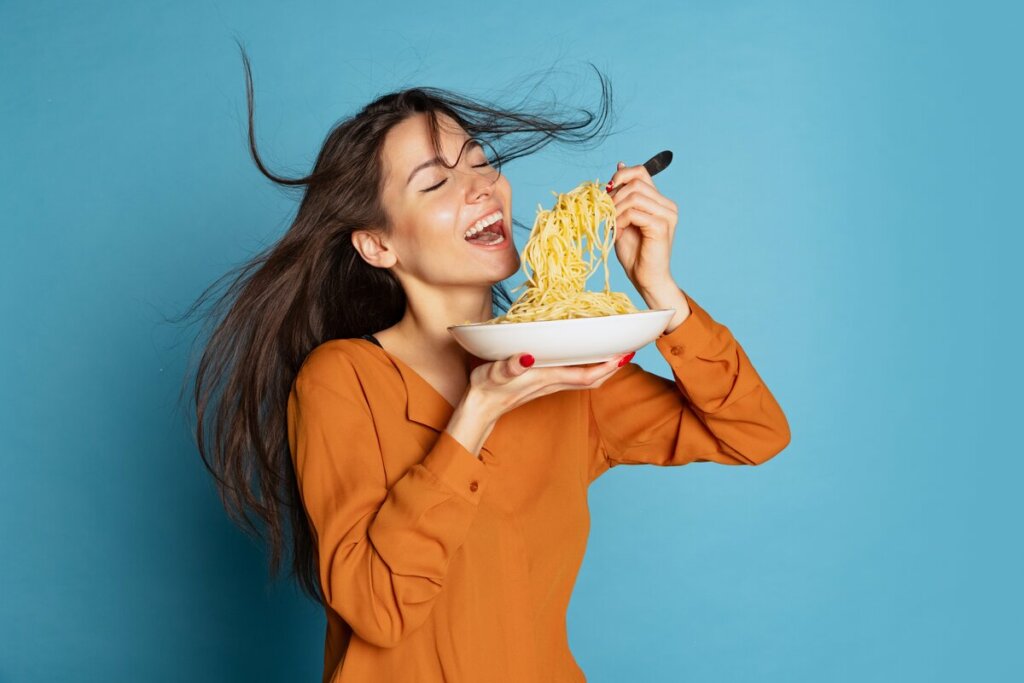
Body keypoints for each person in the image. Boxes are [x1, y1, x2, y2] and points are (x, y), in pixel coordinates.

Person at [178, 46, 790, 683]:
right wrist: (476, 414)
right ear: (377, 243)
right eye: (437, 182)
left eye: (481, 162)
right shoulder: (342, 380)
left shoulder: (566, 368)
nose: (482, 186)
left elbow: (753, 433)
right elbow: (380, 611)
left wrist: (659, 290)